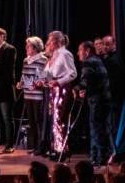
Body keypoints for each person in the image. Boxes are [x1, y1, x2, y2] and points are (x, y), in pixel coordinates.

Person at [35, 31, 77, 159]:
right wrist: (43, 81)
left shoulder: (65, 54)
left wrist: (58, 81)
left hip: (62, 89)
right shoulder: (54, 56)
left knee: (59, 120)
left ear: (58, 41)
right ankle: (58, 149)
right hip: (53, 90)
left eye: (51, 40)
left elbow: (73, 73)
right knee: (54, 120)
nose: (48, 43)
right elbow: (48, 74)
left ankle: (63, 150)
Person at [75, 41, 111, 165]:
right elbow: (94, 81)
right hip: (103, 99)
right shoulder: (97, 60)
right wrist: (86, 90)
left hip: (96, 100)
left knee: (95, 129)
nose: (78, 53)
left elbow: (86, 80)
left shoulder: (89, 62)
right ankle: (99, 157)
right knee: (100, 128)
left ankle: (97, 159)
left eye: (80, 50)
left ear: (87, 51)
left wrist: (76, 89)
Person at [17, 36, 48, 155]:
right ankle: (33, 146)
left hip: (38, 95)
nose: (26, 48)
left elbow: (45, 76)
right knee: (31, 121)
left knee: (38, 121)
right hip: (27, 94)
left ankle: (41, 147)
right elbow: (23, 74)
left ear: (35, 48)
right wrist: (21, 83)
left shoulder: (43, 59)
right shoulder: (26, 60)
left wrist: (40, 82)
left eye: (28, 46)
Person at [102, 34, 124, 155]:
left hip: (114, 99)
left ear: (114, 45)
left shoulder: (113, 61)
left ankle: (115, 153)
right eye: (104, 44)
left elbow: (117, 82)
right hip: (112, 99)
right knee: (111, 126)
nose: (105, 46)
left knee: (113, 127)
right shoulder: (110, 59)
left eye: (108, 44)